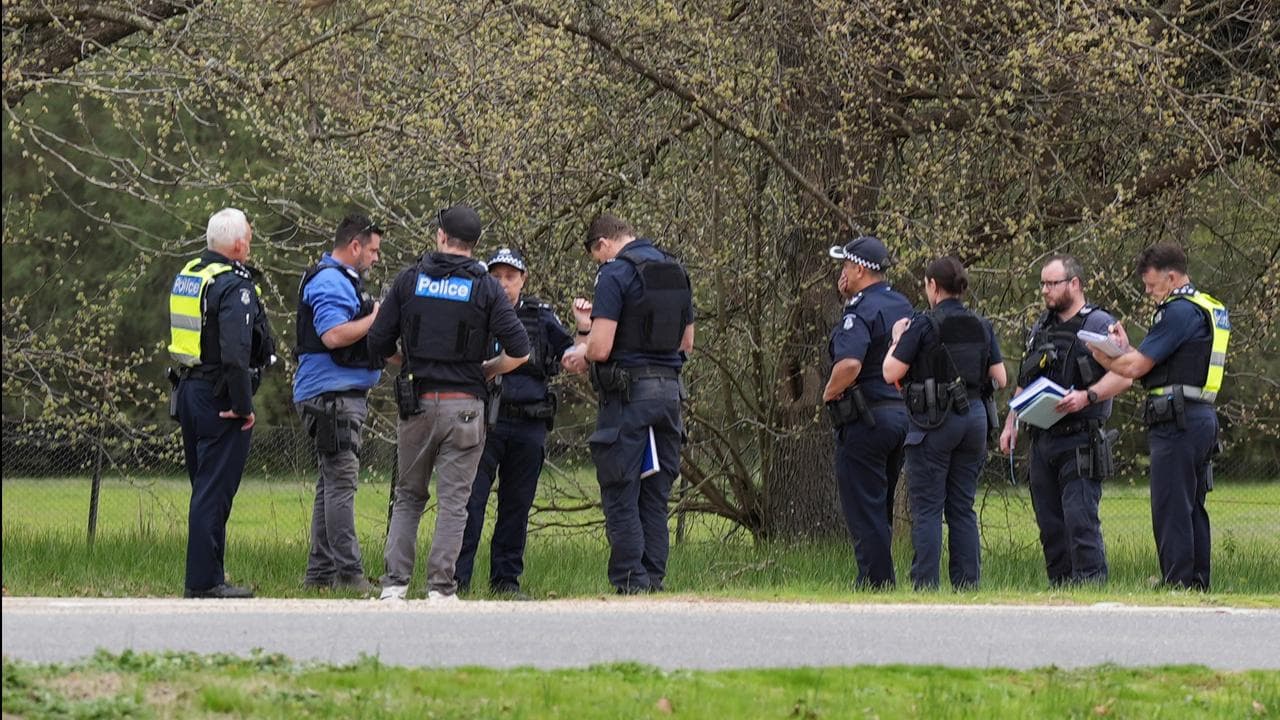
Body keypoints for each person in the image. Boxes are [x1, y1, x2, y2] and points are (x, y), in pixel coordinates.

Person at [368, 205, 530, 602]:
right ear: (475, 244)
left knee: (409, 496)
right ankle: (441, 589)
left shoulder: (409, 280)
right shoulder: (486, 287)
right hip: (466, 408)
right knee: (455, 502)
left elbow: (377, 341)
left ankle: (394, 586)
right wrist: (486, 370)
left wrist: (410, 361)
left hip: (418, 403)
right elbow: (520, 350)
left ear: (441, 236)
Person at [564, 214, 694, 594]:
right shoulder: (675, 269)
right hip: (669, 394)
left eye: (597, 256)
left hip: (628, 396)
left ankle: (629, 581)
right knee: (655, 492)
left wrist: (582, 350)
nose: (599, 262)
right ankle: (653, 578)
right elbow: (687, 343)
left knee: (621, 489)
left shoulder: (614, 274)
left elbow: (601, 348)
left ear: (603, 244)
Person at [1088, 243, 1229, 590]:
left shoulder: (1177, 311)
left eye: (1152, 285)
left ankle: (1177, 582)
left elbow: (1136, 368)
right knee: (1192, 505)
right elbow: (1162, 361)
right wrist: (1124, 348)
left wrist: (1100, 354)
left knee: (1171, 505)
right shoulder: (1206, 307)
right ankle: (1196, 582)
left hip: (1176, 421)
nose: (1149, 292)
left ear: (1172, 277)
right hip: (1200, 416)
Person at [999, 255, 1131, 586]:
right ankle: (1060, 591)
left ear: (1074, 284)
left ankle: (1090, 588)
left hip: (1080, 437)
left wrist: (1088, 396)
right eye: (1042, 284)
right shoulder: (1041, 327)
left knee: (1079, 520)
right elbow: (1026, 379)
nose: (1045, 290)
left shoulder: (1099, 325)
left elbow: (1125, 374)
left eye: (1052, 283)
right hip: (1042, 439)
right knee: (1050, 526)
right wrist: (1011, 422)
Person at [454, 247, 575, 598]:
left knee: (516, 506)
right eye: (496, 277)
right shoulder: (475, 312)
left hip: (528, 423)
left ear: (523, 279)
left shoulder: (541, 316)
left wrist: (585, 327)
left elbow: (570, 354)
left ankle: (505, 582)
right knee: (470, 503)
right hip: (484, 421)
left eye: (510, 277)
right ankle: (456, 580)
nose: (504, 284)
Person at [167, 207, 276, 599]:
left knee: (204, 489)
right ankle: (205, 582)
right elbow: (235, 353)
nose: (250, 243)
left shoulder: (191, 274)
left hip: (189, 390)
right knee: (213, 493)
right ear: (238, 244)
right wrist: (243, 405)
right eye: (249, 236)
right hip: (220, 397)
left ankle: (208, 575)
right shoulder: (233, 285)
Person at [883, 256, 1006, 591]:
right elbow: (1001, 377)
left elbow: (891, 372)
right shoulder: (981, 324)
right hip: (974, 419)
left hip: (934, 422)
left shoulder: (922, 324)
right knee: (962, 507)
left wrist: (897, 338)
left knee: (927, 509)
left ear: (933, 286)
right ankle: (967, 585)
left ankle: (925, 585)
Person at [292, 213, 385, 593]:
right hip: (331, 398)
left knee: (329, 484)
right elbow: (332, 335)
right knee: (342, 483)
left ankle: (319, 575)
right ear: (355, 246)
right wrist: (376, 318)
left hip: (337, 395)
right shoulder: (330, 281)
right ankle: (350, 574)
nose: (376, 258)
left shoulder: (341, 280)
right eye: (373, 251)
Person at [822, 236, 912, 589]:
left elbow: (849, 363)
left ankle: (876, 582)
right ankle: (883, 578)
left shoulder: (859, 310)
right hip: (901, 415)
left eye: (846, 266)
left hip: (867, 418)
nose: (842, 273)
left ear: (860, 269)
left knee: (864, 506)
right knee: (882, 502)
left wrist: (829, 392)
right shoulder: (902, 304)